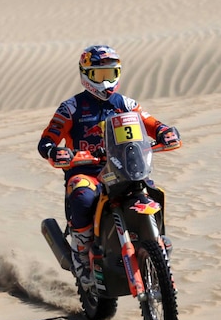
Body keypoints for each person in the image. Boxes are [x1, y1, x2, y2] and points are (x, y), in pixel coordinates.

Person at [37, 45, 180, 289]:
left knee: (153, 193)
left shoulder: (125, 103)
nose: (106, 81)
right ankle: (81, 257)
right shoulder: (71, 107)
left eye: (111, 74)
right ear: (85, 74)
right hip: (86, 172)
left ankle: (156, 240)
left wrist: (165, 131)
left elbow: (150, 122)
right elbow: (47, 140)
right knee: (82, 196)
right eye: (99, 75)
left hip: (123, 168)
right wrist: (55, 151)